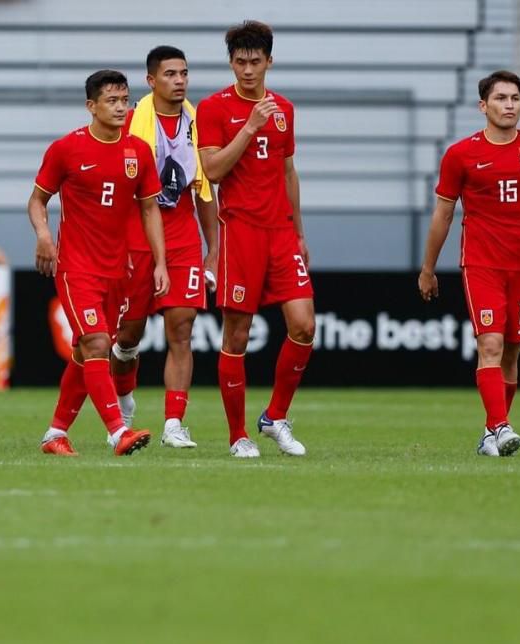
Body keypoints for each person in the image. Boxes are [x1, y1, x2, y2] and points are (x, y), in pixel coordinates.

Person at [419, 70, 520, 457]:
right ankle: (500, 426)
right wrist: (428, 268)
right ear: (483, 106)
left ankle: (491, 435)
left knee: (511, 351)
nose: (509, 105)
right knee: (488, 343)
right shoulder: (461, 154)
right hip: (481, 263)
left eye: (515, 98)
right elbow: (442, 215)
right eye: (501, 98)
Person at [28, 69, 169, 457]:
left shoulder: (138, 152)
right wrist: (43, 236)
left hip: (117, 270)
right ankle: (117, 431)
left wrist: (160, 262)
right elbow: (37, 200)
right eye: (112, 100)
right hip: (76, 268)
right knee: (97, 342)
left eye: (125, 100)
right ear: (91, 106)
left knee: (84, 352)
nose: (121, 107)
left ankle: (55, 433)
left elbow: (150, 210)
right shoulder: (66, 149)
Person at [197, 21, 314, 458]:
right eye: (241, 62)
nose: (248, 70)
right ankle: (237, 435)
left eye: (256, 61)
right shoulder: (213, 109)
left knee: (304, 325)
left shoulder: (284, 108)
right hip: (240, 230)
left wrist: (299, 231)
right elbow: (212, 171)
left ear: (269, 61)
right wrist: (248, 127)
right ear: (231, 62)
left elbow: (287, 171)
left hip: (281, 232)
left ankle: (275, 417)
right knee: (237, 336)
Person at [110, 45, 219, 449]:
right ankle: (123, 397)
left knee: (182, 328)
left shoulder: (198, 122)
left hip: (181, 232)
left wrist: (213, 249)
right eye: (170, 74)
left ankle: (174, 422)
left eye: (184, 74)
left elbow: (204, 189)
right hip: (136, 233)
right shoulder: (129, 121)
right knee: (128, 336)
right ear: (151, 80)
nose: (179, 81)